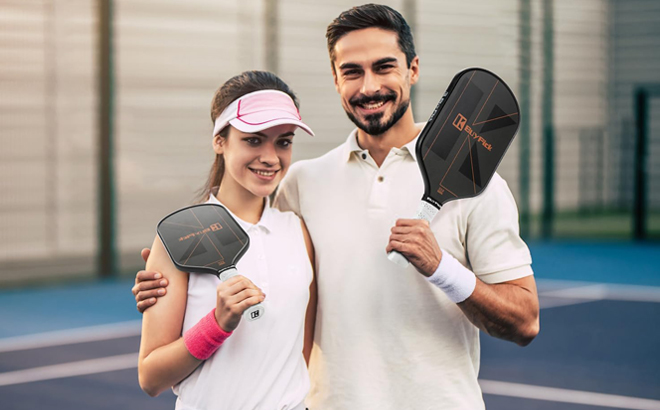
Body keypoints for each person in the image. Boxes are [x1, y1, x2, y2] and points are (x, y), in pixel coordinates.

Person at [134, 5, 540, 409]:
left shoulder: (478, 185)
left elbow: (525, 322)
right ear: (335, 79)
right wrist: (168, 278)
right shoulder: (300, 185)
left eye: (384, 67)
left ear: (413, 69)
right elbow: (243, 237)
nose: (369, 87)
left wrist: (442, 268)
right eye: (352, 71)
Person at [136, 70, 317, 410]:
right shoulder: (178, 235)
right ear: (219, 140)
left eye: (284, 141)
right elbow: (151, 378)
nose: (270, 157)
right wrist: (217, 324)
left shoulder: (298, 230)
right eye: (253, 139)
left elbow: (301, 351)